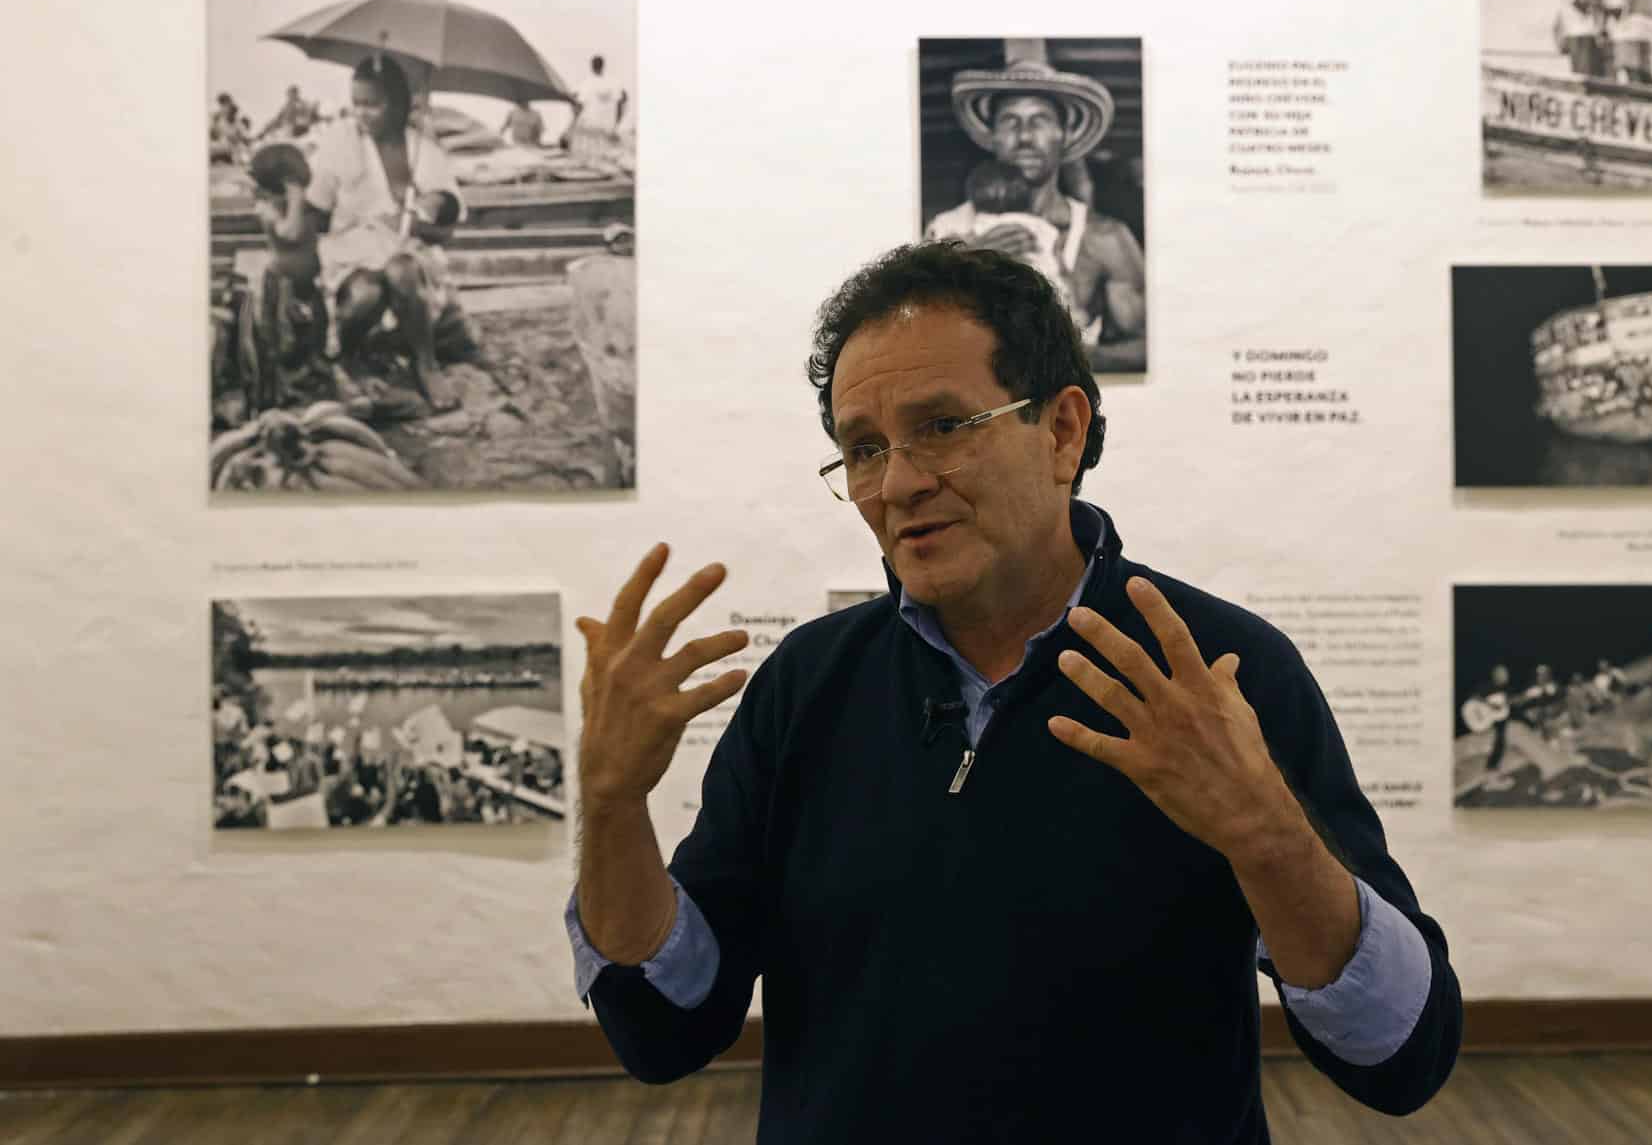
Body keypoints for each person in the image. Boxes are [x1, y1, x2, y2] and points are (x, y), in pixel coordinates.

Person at [566, 242, 1460, 1139]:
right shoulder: (807, 684)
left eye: (944, 427)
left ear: (1063, 431)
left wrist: (1269, 839)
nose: (902, 483)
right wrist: (611, 807)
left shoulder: (1214, 670)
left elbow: (1398, 1051)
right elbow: (666, 1022)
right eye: (864, 448)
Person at [926, 56, 1147, 369]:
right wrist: (965, 266)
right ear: (992, 137)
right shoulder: (947, 231)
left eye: (1040, 121)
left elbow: (1148, 346)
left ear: (1065, 134)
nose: (1025, 137)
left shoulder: (1105, 237)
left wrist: (1070, 359)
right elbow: (918, 341)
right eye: (1010, 121)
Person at [303, 54, 480, 414]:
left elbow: (446, 213)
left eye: (373, 104)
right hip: (353, 252)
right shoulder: (339, 144)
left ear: (399, 104)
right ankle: (353, 359)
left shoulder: (420, 149)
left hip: (407, 253)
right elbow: (316, 214)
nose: (362, 113)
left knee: (400, 270)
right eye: (357, 103)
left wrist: (421, 215)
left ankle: (425, 364)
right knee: (366, 293)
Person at [926, 158, 1100, 345]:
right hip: (1041, 285)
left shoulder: (976, 226)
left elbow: (948, 247)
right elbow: (1059, 261)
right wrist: (1065, 283)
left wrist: (970, 247)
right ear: (1026, 196)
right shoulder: (1041, 226)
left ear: (973, 199)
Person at [247, 144, 330, 407]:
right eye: (293, 182)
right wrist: (294, 199)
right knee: (282, 340)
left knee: (313, 334)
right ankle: (280, 391)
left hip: (309, 284)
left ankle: (310, 378)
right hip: (283, 286)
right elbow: (290, 233)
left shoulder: (307, 206)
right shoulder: (267, 205)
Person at [568, 55, 626, 164]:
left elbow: (578, 103)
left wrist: (572, 123)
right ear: (603, 65)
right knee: (604, 157)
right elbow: (621, 102)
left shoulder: (587, 83)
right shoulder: (614, 83)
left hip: (589, 126)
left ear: (591, 66)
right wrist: (616, 124)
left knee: (586, 158)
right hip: (606, 126)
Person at [1551, 0, 1603, 78]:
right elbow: (1583, 8)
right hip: (1577, 35)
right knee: (1582, 72)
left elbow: (1596, 2)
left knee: (1593, 71)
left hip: (1588, 34)